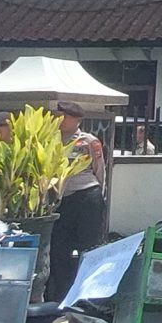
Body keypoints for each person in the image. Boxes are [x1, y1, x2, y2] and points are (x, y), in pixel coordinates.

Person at [49, 100, 110, 300]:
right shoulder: (50, 140)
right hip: (61, 200)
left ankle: (89, 294)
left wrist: (99, 195)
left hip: (86, 196)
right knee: (59, 250)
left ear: (77, 120)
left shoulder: (88, 141)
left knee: (90, 247)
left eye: (65, 117)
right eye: (58, 116)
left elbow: (99, 170)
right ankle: (62, 295)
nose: (60, 120)